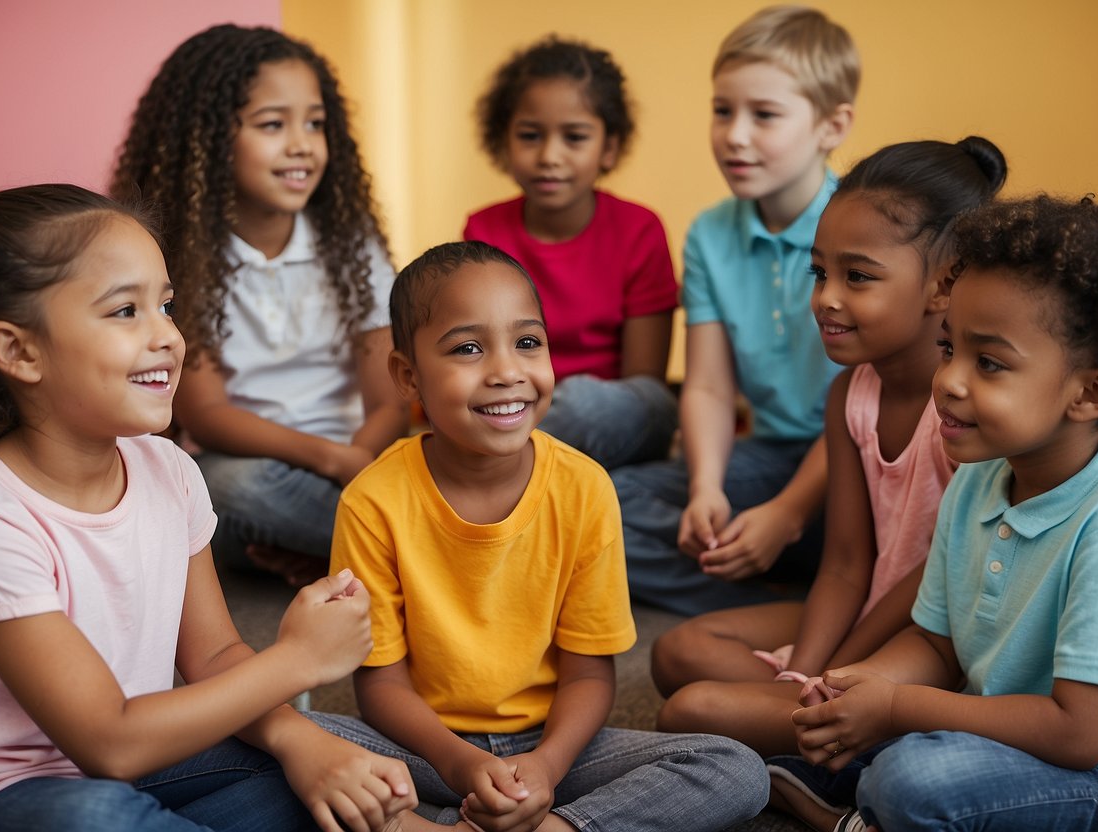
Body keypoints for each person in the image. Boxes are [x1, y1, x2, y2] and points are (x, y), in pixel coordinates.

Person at [0, 185, 415, 831]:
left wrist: (298, 744)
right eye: (124, 312)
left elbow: (215, 658)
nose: (167, 335)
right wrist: (298, 660)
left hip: (147, 762)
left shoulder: (168, 470)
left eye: (165, 305)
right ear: (20, 352)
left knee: (327, 758)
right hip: (8, 799)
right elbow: (107, 741)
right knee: (102, 816)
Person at [313, 241, 768, 830]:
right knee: (279, 735)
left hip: (554, 746)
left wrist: (546, 771)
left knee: (732, 767)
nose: (507, 372)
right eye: (468, 349)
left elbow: (588, 672)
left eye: (528, 343)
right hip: (423, 748)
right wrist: (460, 763)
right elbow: (379, 685)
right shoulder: (372, 500)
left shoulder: (585, 488)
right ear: (409, 376)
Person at [771, 195, 1098, 832]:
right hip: (992, 737)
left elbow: (1080, 734)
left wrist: (898, 708)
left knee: (910, 779)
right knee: (840, 737)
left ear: (1090, 393)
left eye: (990, 363)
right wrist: (859, 685)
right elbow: (934, 642)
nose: (948, 380)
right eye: (949, 349)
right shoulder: (978, 479)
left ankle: (856, 815)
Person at [650, 137, 1007, 757]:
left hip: (943, 637)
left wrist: (842, 669)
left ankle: (835, 736)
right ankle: (824, 733)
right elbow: (843, 563)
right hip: (868, 607)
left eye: (858, 276)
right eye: (819, 272)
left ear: (943, 287)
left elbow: (943, 577)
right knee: (677, 652)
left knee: (690, 710)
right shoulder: (851, 394)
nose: (826, 298)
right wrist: (806, 676)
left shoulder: (961, 407)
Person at [111, 24, 406, 587]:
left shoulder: (351, 244)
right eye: (273, 124)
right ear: (206, 141)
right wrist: (330, 461)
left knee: (456, 454)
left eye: (315, 124)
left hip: (363, 460)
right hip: (260, 471)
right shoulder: (178, 259)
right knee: (226, 488)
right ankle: (408, 548)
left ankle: (341, 551)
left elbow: (389, 402)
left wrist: (358, 461)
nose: (302, 145)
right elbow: (208, 416)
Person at [612, 5, 858, 615]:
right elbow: (710, 389)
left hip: (858, 459)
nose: (735, 135)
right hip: (768, 457)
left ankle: (820, 582)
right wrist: (705, 488)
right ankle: (755, 596)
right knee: (599, 500)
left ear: (832, 125)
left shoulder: (865, 225)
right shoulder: (709, 235)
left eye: (764, 115)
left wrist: (789, 512)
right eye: (723, 111)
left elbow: (868, 397)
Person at [464, 35, 679, 469]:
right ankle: (535, 477)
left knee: (590, 404)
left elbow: (643, 388)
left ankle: (495, 472)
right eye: (530, 136)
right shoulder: (483, 230)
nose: (549, 156)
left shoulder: (640, 230)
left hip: (615, 423)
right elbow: (479, 359)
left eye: (574, 137)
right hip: (513, 406)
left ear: (609, 148)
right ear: (503, 142)